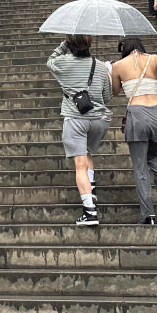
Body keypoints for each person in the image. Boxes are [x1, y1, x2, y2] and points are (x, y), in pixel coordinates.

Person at [110, 38, 157, 224]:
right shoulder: (154, 59)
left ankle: (148, 214)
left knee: (140, 167)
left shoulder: (118, 65)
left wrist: (111, 72)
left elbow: (115, 91)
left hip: (138, 113)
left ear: (123, 49)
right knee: (154, 156)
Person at [47, 35, 113, 226]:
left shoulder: (63, 62)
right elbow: (107, 96)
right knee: (87, 153)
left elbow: (49, 61)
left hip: (76, 118)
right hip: (99, 120)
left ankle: (90, 212)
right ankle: (90, 188)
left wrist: (63, 45)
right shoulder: (99, 65)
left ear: (71, 45)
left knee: (80, 165)